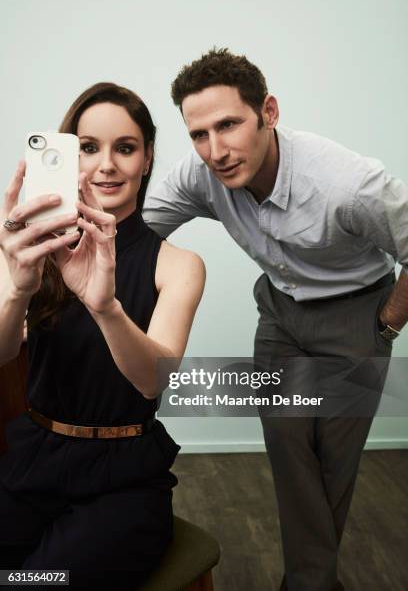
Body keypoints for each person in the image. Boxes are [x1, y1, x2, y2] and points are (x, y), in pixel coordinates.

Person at [143, 48, 408, 590]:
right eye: (198, 134)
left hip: (357, 316)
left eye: (229, 125)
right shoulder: (201, 173)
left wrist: (384, 327)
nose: (215, 150)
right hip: (281, 317)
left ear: (269, 111)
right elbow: (137, 234)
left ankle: (308, 582)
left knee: (334, 462)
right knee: (288, 448)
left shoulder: (351, 185)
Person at [0, 82, 205, 590]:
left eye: (125, 147)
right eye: (88, 147)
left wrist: (105, 307)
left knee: (32, 584)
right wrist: (16, 290)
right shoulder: (28, 250)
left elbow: (152, 382)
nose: (106, 165)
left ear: (148, 156)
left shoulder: (178, 265)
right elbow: (4, 353)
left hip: (124, 481)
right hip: (35, 461)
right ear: (69, 156)